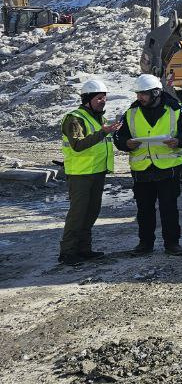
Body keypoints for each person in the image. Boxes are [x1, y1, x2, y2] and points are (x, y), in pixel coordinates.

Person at [113, 74, 182, 256]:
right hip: (142, 170)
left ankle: (172, 244)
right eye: (138, 93)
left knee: (169, 209)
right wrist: (126, 143)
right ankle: (145, 244)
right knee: (144, 211)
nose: (139, 97)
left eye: (143, 94)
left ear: (156, 92)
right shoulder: (131, 112)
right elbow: (118, 136)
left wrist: (179, 140)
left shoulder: (176, 109)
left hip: (168, 169)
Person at [58, 78, 123, 266]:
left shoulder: (99, 119)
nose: (103, 101)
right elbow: (78, 145)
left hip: (97, 172)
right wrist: (103, 132)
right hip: (80, 174)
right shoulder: (74, 118)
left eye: (104, 98)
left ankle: (84, 249)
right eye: (99, 98)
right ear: (87, 99)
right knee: (78, 214)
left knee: (91, 212)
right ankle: (68, 252)